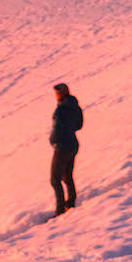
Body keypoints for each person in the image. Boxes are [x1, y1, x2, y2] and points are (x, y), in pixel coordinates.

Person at [50, 82, 84, 218]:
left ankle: (60, 210)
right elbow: (79, 125)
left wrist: (55, 141)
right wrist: (69, 131)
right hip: (73, 144)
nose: (56, 96)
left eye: (58, 93)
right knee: (67, 176)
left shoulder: (60, 110)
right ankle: (70, 203)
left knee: (55, 179)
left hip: (62, 147)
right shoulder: (75, 107)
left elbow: (57, 129)